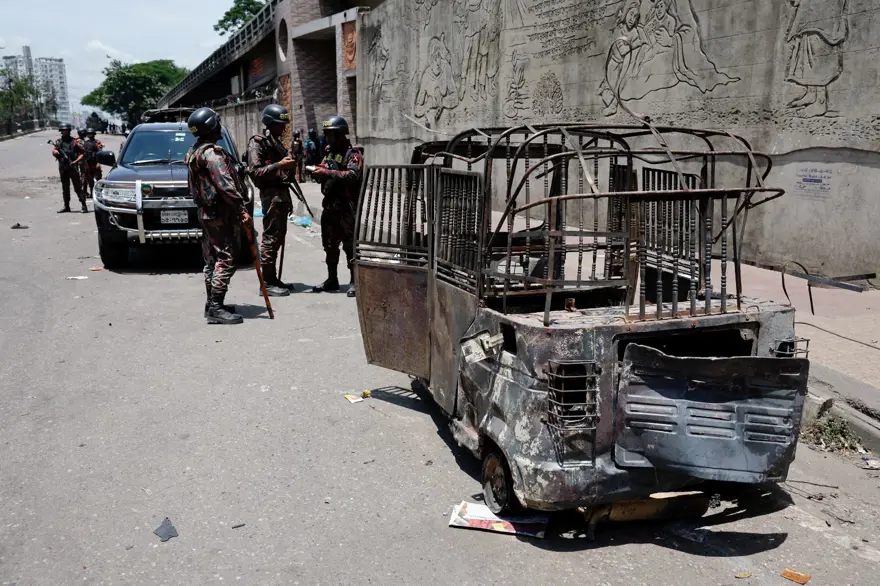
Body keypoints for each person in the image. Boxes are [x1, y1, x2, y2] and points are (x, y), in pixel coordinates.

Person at [185, 107, 251, 325]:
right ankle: (215, 307)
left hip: (206, 212)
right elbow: (226, 185)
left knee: (212, 259)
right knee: (226, 257)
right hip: (220, 213)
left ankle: (211, 303)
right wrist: (241, 209)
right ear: (212, 127)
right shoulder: (211, 153)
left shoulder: (194, 150)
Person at [246, 104, 297, 297]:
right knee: (270, 239)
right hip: (271, 196)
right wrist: (279, 164)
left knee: (278, 238)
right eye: (279, 124)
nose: (283, 129)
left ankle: (273, 278)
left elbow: (284, 172)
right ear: (270, 123)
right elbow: (254, 171)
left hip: (281, 195)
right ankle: (266, 283)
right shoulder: (258, 143)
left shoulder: (275, 142)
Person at [310, 115, 363, 297]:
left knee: (350, 246)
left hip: (347, 207)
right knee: (330, 245)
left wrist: (328, 172)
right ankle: (332, 279)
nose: (328, 138)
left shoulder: (353, 154)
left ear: (340, 134)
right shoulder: (329, 152)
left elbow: (352, 175)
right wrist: (318, 173)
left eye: (331, 134)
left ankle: (354, 282)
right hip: (330, 206)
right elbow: (325, 170)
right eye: (326, 134)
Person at [52, 123, 88, 213]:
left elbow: (83, 153)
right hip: (63, 167)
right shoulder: (58, 141)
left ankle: (84, 205)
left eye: (66, 130)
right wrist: (55, 152)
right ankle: (66, 206)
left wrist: (75, 161)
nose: (64, 132)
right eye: (63, 131)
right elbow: (54, 150)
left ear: (69, 131)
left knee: (77, 188)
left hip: (73, 167)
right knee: (65, 188)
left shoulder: (75, 141)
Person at [82, 128, 104, 198]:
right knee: (90, 180)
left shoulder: (97, 142)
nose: (89, 135)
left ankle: (100, 193)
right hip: (88, 163)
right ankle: (92, 193)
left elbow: (100, 152)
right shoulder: (85, 143)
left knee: (98, 179)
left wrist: (98, 162)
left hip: (95, 163)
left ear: (93, 134)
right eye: (88, 133)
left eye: (91, 133)